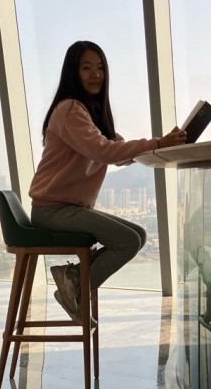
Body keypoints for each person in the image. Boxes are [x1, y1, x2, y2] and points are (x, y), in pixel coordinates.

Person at [29, 40, 186, 323]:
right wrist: (158, 143)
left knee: (138, 234)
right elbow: (105, 152)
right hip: (53, 210)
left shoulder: (86, 112)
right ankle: (73, 286)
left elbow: (116, 151)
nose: (96, 74)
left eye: (100, 68)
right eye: (86, 68)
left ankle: (73, 280)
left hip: (67, 208)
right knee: (128, 241)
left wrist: (158, 146)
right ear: (72, 73)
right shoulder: (69, 110)